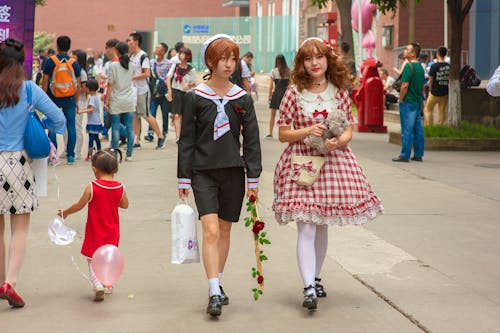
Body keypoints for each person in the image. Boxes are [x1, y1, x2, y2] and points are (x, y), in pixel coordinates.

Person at [272, 38, 383, 311]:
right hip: (302, 161)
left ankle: (316, 278)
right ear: (301, 63)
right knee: (307, 225)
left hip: (334, 162)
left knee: (321, 224)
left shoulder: (339, 91)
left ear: (327, 59)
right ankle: (308, 286)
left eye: (319, 57)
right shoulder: (293, 92)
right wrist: (308, 131)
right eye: (308, 59)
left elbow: (347, 128)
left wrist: (339, 141)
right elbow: (282, 133)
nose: (314, 63)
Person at [177, 34, 262, 317]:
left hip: (233, 173)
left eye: (233, 58)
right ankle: (213, 291)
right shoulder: (195, 97)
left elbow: (251, 140)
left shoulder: (242, 99)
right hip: (202, 172)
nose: (229, 64)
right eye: (223, 58)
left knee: (225, 230)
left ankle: (218, 282)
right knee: (211, 230)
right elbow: (187, 140)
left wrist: (254, 178)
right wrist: (183, 178)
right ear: (210, 61)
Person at [0, 38, 66, 308]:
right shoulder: (29, 89)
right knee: (20, 228)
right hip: (17, 164)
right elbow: (59, 120)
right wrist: (37, 123)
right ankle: (10, 282)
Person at [58, 149, 129, 301]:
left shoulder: (92, 187)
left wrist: (66, 212)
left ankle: (97, 284)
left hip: (95, 231)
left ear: (95, 170)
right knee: (108, 258)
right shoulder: (120, 187)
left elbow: (79, 205)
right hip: (112, 231)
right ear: (115, 169)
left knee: (92, 258)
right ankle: (107, 283)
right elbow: (125, 205)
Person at [42, 35, 81, 164]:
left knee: (52, 125)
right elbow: (78, 85)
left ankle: (54, 155)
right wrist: (76, 101)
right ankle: (70, 156)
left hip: (53, 98)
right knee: (71, 126)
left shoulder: (50, 61)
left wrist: (44, 99)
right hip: (69, 98)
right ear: (69, 47)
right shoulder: (74, 63)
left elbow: (45, 82)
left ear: (57, 46)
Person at [127, 32, 166, 149]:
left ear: (136, 42)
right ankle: (137, 140)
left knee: (146, 114)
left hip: (142, 90)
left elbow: (147, 73)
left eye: (130, 40)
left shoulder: (143, 56)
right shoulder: (132, 56)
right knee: (135, 115)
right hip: (133, 90)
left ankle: (160, 136)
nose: (128, 43)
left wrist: (132, 77)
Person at [392, 43, 425, 163]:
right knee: (418, 129)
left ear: (413, 53)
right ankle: (418, 154)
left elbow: (404, 85)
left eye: (407, 49)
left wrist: (401, 98)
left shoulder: (408, 67)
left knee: (407, 129)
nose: (405, 51)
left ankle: (405, 155)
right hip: (417, 101)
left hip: (408, 101)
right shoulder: (420, 68)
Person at [104, 42, 136, 161]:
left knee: (115, 128)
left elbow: (110, 85)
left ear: (117, 51)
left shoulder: (113, 66)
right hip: (129, 99)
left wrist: (107, 100)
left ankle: (114, 153)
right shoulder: (132, 65)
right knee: (130, 127)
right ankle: (129, 153)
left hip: (117, 100)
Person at [166, 47, 197, 143]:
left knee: (186, 115)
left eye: (183, 54)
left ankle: (186, 134)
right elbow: (168, 77)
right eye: (180, 54)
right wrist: (169, 90)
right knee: (176, 115)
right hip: (176, 92)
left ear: (188, 56)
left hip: (187, 94)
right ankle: (178, 137)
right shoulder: (175, 66)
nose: (181, 55)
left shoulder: (191, 69)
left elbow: (195, 83)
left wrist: (189, 85)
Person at [145, 42, 171, 142]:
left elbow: (169, 77)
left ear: (163, 51)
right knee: (151, 113)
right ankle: (150, 134)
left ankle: (164, 132)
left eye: (158, 47)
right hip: (154, 93)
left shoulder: (168, 63)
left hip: (163, 93)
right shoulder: (151, 62)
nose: (155, 48)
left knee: (165, 114)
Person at [77, 79, 103, 160]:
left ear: (89, 89)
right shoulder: (96, 97)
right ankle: (99, 151)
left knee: (91, 139)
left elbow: (91, 109)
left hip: (92, 122)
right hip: (97, 121)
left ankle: (90, 155)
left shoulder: (92, 98)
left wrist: (81, 111)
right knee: (96, 138)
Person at [424, 46, 450, 125]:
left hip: (435, 92)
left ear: (438, 54)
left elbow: (430, 80)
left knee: (428, 108)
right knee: (442, 110)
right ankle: (440, 126)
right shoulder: (448, 66)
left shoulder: (434, 66)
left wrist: (430, 89)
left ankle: (430, 126)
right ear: (445, 55)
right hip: (445, 92)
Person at [266, 54, 290, 139]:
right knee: (283, 116)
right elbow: (291, 84)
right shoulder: (288, 71)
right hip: (285, 95)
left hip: (276, 94)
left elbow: (271, 85)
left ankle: (270, 133)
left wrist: (269, 95)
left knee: (273, 114)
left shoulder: (274, 71)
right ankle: (284, 133)